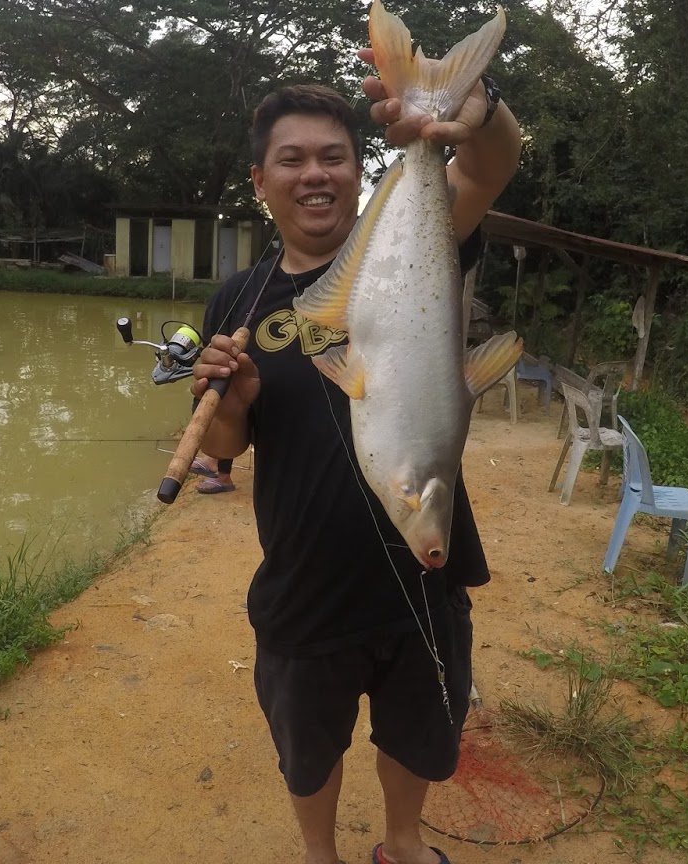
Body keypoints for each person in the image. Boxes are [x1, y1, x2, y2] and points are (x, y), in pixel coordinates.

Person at [191, 48, 522, 864]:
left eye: (333, 157)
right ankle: (320, 854)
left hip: (421, 567)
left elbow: (493, 164)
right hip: (304, 581)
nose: (316, 175)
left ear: (355, 168)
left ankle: (402, 845)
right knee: (310, 747)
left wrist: (470, 109)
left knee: (417, 731)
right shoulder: (236, 301)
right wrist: (231, 400)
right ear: (260, 180)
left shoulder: (417, 239)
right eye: (292, 160)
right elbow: (227, 447)